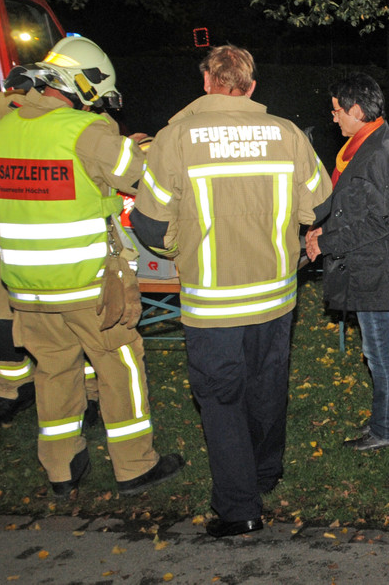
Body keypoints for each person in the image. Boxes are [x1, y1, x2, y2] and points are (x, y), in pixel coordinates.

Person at [131, 45, 332, 538]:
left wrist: (180, 244)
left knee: (221, 399)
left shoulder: (175, 138)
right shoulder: (286, 133)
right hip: (275, 294)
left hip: (212, 300)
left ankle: (239, 507)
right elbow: (321, 205)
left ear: (207, 83)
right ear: (252, 86)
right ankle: (265, 472)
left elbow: (150, 225)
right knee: (268, 386)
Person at [0, 36, 183, 495]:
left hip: (26, 289)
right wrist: (137, 144)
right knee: (120, 365)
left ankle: (62, 468)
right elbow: (141, 176)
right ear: (83, 85)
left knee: (54, 372)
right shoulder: (86, 131)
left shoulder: (3, 130)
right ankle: (134, 466)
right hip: (87, 286)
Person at [0, 74, 102, 431]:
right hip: (5, 240)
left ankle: (88, 394)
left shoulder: (84, 113)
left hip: (64, 246)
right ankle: (12, 389)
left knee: (75, 325)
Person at [305, 72, 389, 452]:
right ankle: (384, 421)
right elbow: (354, 205)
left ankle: (386, 430)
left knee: (379, 353)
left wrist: (326, 243)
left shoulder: (380, 152)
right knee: (375, 350)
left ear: (358, 111)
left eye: (337, 111)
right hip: (366, 265)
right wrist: (324, 229)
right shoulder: (364, 144)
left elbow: (380, 221)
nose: (333, 117)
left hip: (374, 269)